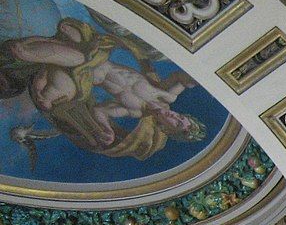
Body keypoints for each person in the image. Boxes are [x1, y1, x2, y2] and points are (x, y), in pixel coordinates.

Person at [2, 16, 204, 166]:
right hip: (95, 54)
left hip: (82, 75)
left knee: (42, 83)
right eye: (180, 117)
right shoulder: (166, 94)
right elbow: (182, 79)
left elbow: (101, 111)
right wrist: (197, 75)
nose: (174, 116)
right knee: (28, 46)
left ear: (166, 130)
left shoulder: (135, 111)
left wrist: (106, 129)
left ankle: (22, 72)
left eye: (176, 123)